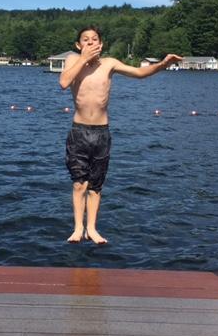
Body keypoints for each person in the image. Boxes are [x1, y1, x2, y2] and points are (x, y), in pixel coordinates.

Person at [60, 25, 182, 244]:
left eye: (94, 39)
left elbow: (139, 73)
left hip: (101, 132)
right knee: (79, 183)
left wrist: (163, 64)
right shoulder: (72, 60)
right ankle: (78, 228)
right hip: (79, 131)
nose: (90, 42)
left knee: (95, 185)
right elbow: (64, 82)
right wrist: (83, 58)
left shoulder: (109, 64)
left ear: (101, 44)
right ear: (78, 45)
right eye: (85, 40)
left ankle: (92, 228)